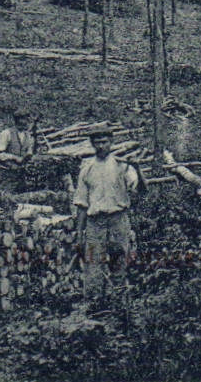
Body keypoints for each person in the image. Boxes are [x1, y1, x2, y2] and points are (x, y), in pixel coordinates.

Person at [73, 128, 140, 305]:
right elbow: (81, 204)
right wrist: (79, 233)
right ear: (92, 144)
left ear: (111, 142)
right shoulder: (86, 169)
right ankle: (94, 303)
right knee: (93, 262)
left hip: (118, 219)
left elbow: (140, 189)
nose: (101, 146)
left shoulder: (122, 166)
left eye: (104, 142)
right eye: (97, 142)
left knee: (119, 259)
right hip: (95, 222)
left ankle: (119, 301)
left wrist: (138, 169)